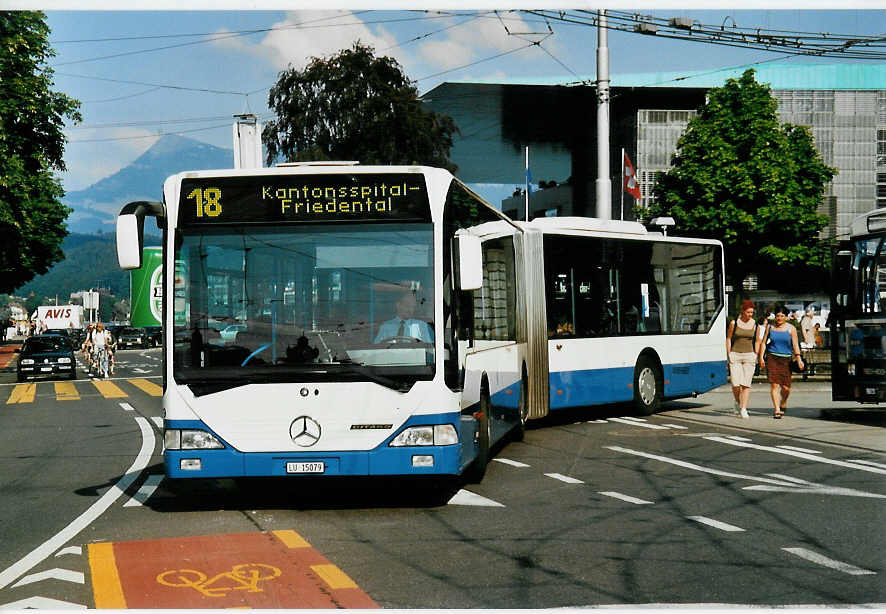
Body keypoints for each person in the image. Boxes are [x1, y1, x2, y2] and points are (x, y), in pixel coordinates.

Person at [759, 305, 804, 419]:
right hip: (772, 357)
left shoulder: (791, 328)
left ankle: (783, 401)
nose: (779, 318)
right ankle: (777, 409)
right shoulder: (770, 327)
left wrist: (799, 359)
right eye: (777, 316)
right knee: (774, 384)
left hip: (786, 359)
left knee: (786, 388)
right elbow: (763, 342)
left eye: (782, 316)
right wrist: (761, 357)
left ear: (786, 317)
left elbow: (795, 345)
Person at [726, 300, 761, 419]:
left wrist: (756, 354)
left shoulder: (755, 324)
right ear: (743, 311)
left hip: (749, 355)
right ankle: (738, 402)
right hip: (735, 355)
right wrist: (729, 353)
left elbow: (757, 340)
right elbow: (729, 338)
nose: (750, 314)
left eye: (752, 312)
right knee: (736, 383)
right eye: (748, 312)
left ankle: (743, 408)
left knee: (746, 384)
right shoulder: (734, 323)